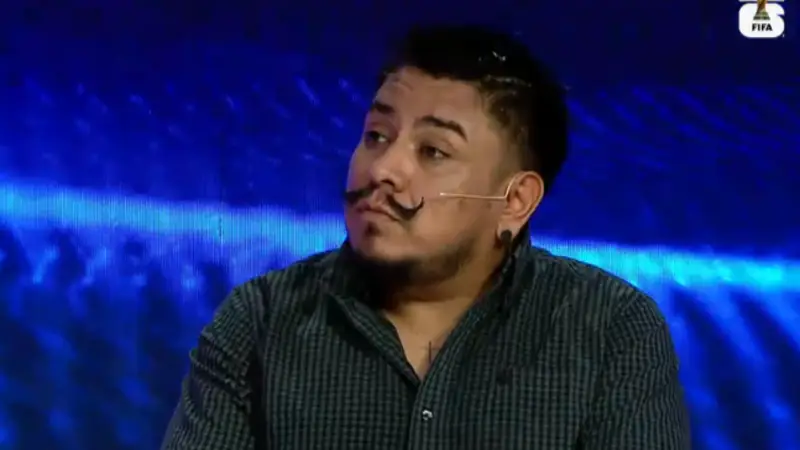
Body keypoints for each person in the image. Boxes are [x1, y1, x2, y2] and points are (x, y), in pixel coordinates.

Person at [161, 25, 690, 450]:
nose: (382, 169)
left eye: (433, 151)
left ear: (515, 201)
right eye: (376, 136)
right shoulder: (260, 320)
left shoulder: (611, 330)